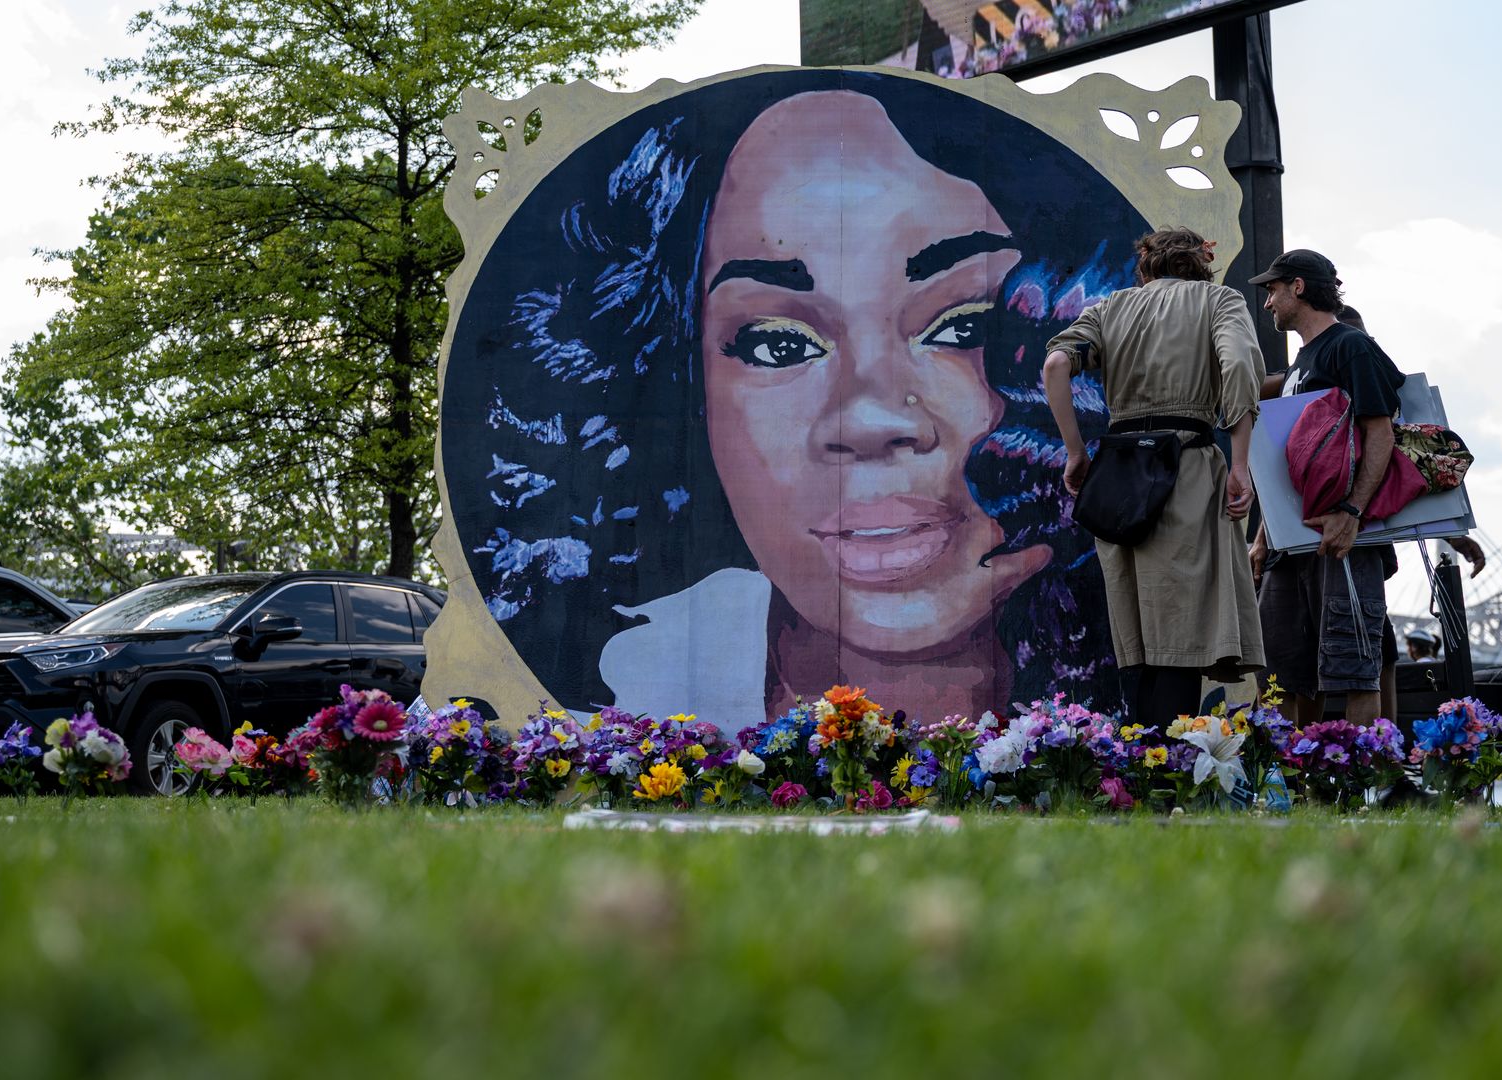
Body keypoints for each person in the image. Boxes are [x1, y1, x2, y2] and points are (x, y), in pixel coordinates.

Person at [442, 70, 1149, 732]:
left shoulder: (1144, 648)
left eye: (961, 328)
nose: (871, 419)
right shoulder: (632, 683)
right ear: (690, 387)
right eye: (778, 346)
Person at [1040, 228, 1266, 728]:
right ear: (1200, 263)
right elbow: (1239, 367)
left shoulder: (1110, 308)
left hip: (1117, 477)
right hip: (1185, 467)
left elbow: (1057, 363)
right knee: (1182, 631)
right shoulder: (1219, 301)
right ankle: (1170, 771)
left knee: (1136, 632)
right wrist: (1241, 463)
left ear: (1147, 265)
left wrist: (1075, 452)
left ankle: (1141, 763)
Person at [1245, 250, 1403, 726]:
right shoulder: (1300, 363)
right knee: (1282, 671)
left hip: (1340, 539)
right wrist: (1262, 537)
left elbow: (1381, 432)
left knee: (1353, 667)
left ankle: (1358, 787)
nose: (1267, 303)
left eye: (1272, 290)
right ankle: (1292, 788)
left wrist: (1352, 513)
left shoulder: (1349, 346)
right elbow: (1286, 464)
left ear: (1298, 287)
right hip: (1289, 545)